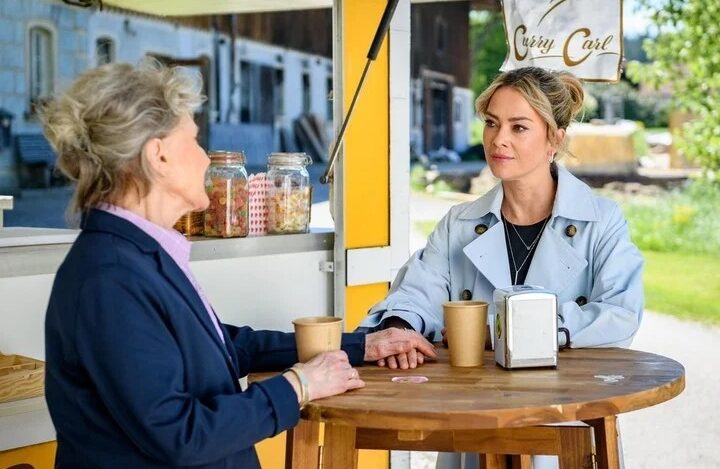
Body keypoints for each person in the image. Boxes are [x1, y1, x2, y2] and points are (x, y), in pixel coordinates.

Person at [42, 60, 436, 469]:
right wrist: (298, 386)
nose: (205, 159)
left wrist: (360, 345)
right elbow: (179, 434)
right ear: (158, 156)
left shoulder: (137, 255)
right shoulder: (111, 277)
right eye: (194, 142)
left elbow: (225, 346)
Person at [357, 66, 643, 467]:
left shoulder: (602, 220)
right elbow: (418, 291)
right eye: (492, 123)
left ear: (554, 140)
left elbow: (620, 313)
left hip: (562, 423)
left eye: (519, 127)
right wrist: (400, 329)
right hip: (474, 420)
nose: (498, 139)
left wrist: (532, 331)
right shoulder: (459, 223)